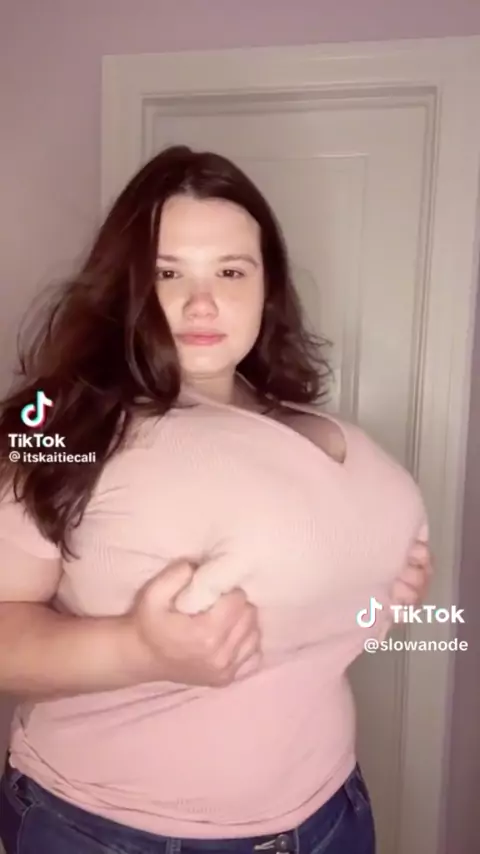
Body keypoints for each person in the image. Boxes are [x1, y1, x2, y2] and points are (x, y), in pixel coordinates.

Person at [0, 146, 431, 854]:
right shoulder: (63, 427)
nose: (201, 303)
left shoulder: (297, 420)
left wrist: (375, 584)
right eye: (168, 272)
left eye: (231, 271)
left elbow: (309, 615)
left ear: (268, 287)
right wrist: (137, 649)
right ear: (127, 287)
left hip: (329, 814)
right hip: (112, 831)